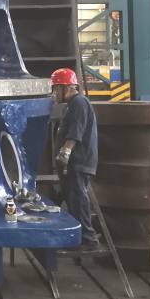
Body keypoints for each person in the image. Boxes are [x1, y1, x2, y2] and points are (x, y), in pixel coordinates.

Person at [51, 68, 101, 253]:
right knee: (72, 199)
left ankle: (88, 239)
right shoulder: (71, 104)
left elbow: (76, 132)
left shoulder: (79, 102)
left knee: (78, 199)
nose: (54, 93)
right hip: (74, 162)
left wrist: (65, 152)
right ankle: (78, 237)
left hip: (79, 161)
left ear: (66, 88)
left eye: (56, 89)